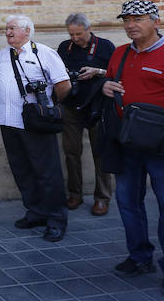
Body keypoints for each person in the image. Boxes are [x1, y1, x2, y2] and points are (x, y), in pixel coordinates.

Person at [101, 0, 164, 299]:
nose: (131, 24)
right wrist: (107, 86)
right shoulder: (119, 53)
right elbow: (112, 83)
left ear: (156, 22)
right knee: (127, 204)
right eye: (127, 19)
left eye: (139, 18)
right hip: (128, 143)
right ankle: (140, 256)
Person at [0, 14, 71, 242]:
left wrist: (49, 107)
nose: (8, 32)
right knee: (22, 170)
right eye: (6, 29)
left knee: (47, 172)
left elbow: (63, 85)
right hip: (8, 121)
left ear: (27, 31)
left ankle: (56, 218)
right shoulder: (3, 54)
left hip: (35, 123)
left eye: (12, 29)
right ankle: (36, 212)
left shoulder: (44, 53)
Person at [57, 13, 115, 216]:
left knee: (100, 154)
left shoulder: (105, 46)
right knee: (71, 152)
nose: (75, 38)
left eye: (78, 34)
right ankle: (74, 194)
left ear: (88, 29)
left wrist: (97, 71)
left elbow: (116, 73)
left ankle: (102, 198)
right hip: (72, 106)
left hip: (98, 106)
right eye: (71, 34)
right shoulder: (65, 47)